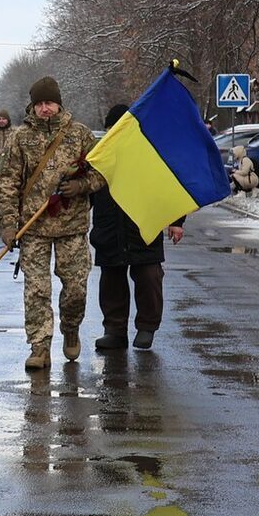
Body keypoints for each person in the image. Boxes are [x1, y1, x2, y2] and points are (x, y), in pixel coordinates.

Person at [0, 76, 101, 370]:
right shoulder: (20, 137)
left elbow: (103, 173)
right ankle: (40, 346)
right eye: (40, 103)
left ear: (59, 104)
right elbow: (7, 182)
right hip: (34, 228)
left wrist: (82, 186)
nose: (45, 109)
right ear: (33, 105)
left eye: (49, 103)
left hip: (73, 227)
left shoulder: (79, 135)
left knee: (76, 290)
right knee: (37, 290)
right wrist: (8, 224)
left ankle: (71, 327)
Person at [90, 102, 184, 350]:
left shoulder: (149, 156)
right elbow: (85, 191)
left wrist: (176, 221)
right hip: (108, 229)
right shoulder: (97, 157)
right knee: (111, 283)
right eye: (112, 129)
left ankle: (146, 327)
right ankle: (114, 330)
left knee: (149, 278)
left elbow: (169, 188)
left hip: (143, 227)